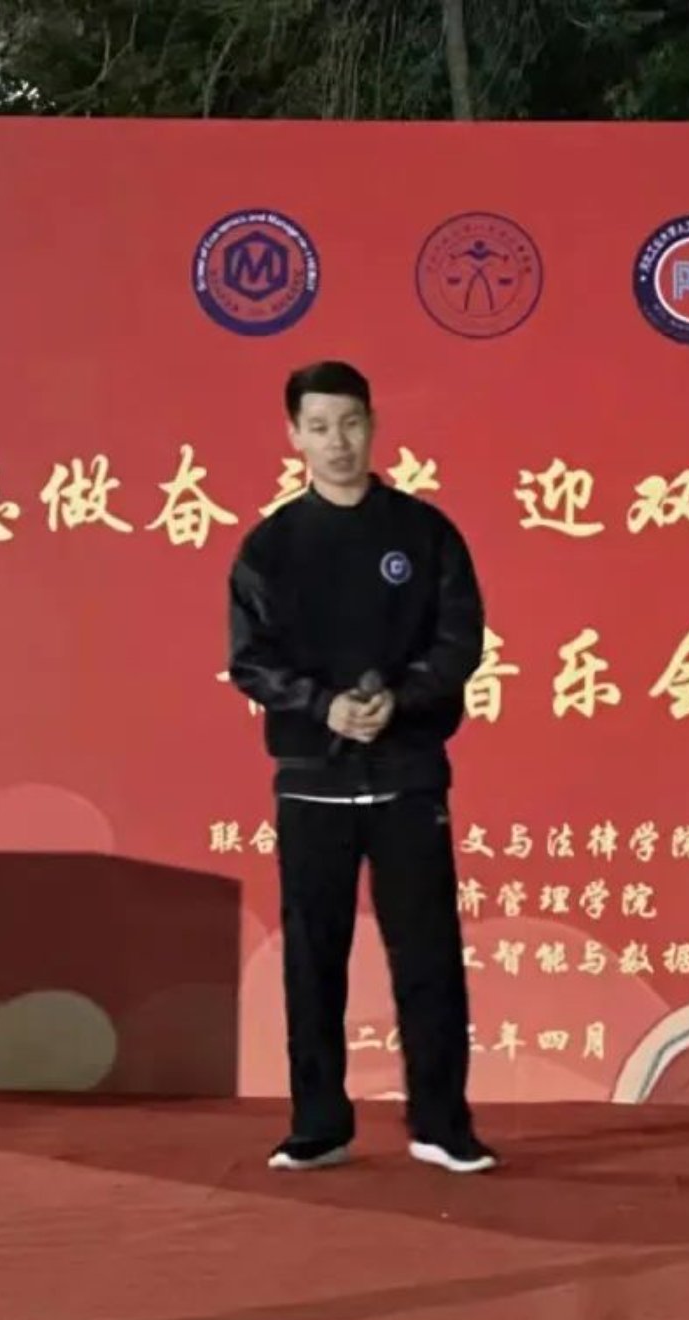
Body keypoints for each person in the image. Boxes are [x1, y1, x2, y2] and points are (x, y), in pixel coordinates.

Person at [227, 360, 498, 1174]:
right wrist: (323, 706)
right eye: (318, 427)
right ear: (293, 436)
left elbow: (459, 640)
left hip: (409, 774)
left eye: (350, 423)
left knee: (429, 952)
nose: (337, 442)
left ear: (373, 425)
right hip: (312, 779)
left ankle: (441, 1123)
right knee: (313, 957)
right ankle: (319, 1123)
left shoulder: (424, 532)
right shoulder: (269, 548)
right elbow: (251, 658)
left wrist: (400, 699)